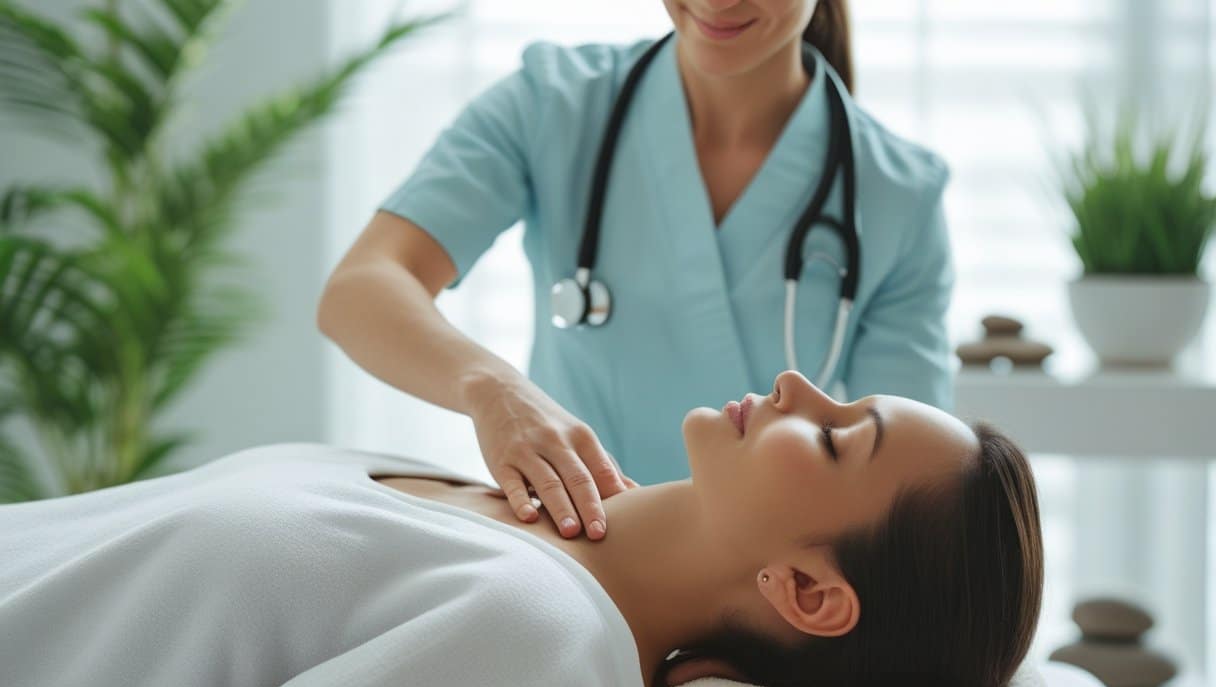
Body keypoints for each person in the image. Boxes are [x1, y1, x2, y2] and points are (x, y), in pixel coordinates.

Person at [0, 371, 1043, 687]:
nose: (791, 383)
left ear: (809, 592)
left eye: (830, 435)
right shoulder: (528, 501)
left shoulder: (529, 644)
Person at [318, 0, 958, 546]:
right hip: (564, 553)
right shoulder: (554, 103)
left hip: (762, 593)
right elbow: (360, 289)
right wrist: (492, 390)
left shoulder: (900, 194)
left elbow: (901, 497)